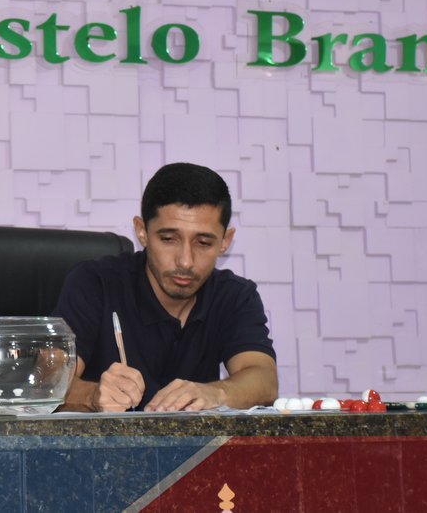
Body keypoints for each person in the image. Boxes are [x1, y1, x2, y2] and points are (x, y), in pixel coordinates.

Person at [54, 162, 278, 412]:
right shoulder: (96, 283)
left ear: (225, 241)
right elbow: (49, 379)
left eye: (203, 243)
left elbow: (264, 380)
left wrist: (215, 393)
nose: (185, 261)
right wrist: (92, 395)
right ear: (142, 232)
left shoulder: (235, 296)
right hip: (102, 437)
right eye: (169, 239)